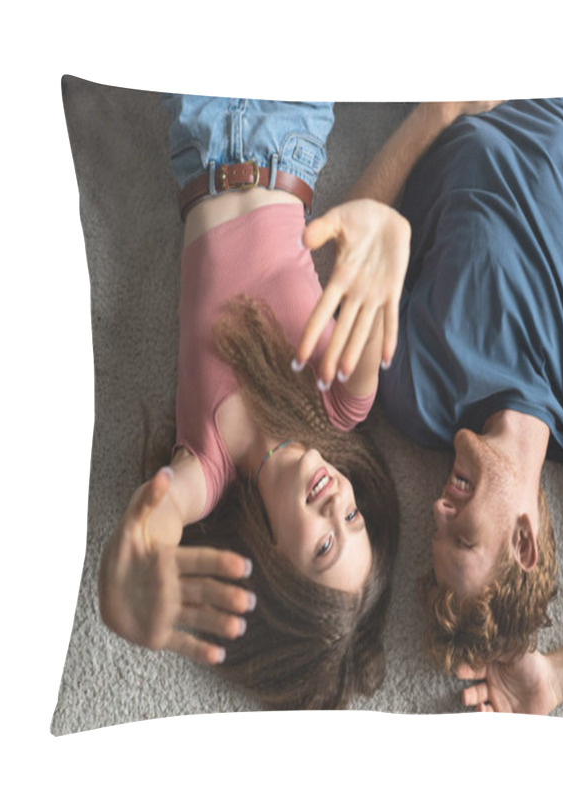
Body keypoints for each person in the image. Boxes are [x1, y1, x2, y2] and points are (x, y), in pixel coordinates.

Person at [298, 99, 563, 714]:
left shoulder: (416, 400)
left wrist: (440, 109)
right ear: (525, 540)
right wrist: (559, 681)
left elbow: (347, 251)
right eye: (461, 537)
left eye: (434, 528)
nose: (438, 508)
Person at [98, 95, 410, 710]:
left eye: (323, 547)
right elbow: (375, 298)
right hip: (291, 127)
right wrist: (388, 238)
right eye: (354, 521)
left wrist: (124, 582)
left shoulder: (207, 466)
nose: (337, 506)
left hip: (201, 136)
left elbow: (155, 515)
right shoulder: (340, 407)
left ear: (275, 571)